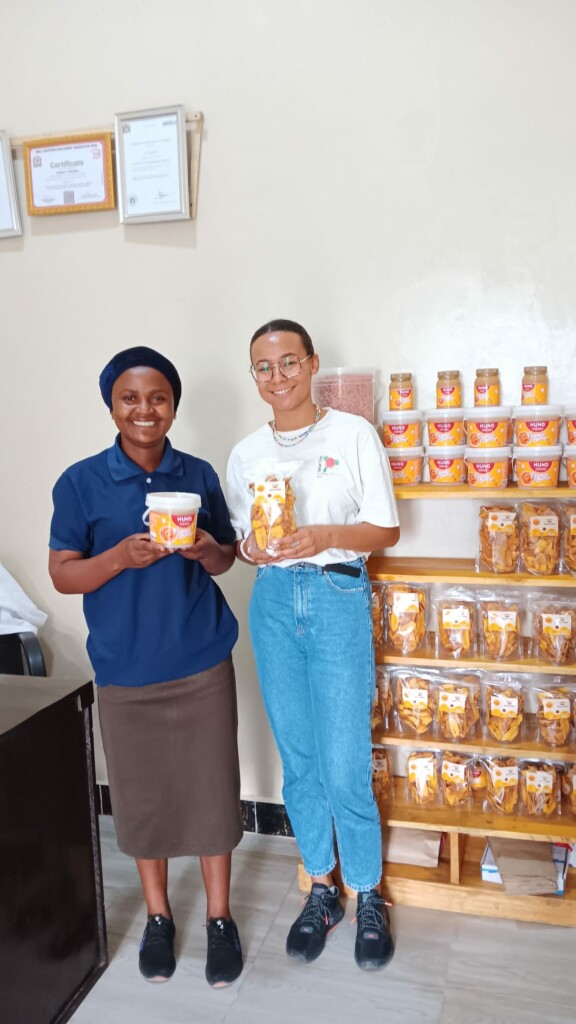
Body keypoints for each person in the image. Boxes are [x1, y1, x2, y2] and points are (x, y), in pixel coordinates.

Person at [48, 346, 243, 989]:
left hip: (200, 657)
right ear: (111, 405)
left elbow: (224, 562)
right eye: (130, 397)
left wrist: (208, 547)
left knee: (212, 792)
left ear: (173, 405)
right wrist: (118, 559)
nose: (144, 409)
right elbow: (64, 572)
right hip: (126, 667)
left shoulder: (198, 472)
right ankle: (159, 916)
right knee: (143, 799)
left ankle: (219, 918)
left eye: (157, 397)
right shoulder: (80, 482)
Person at [226, 319, 400, 971]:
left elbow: (385, 531)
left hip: (335, 595)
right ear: (256, 376)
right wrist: (253, 547)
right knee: (299, 755)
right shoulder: (246, 454)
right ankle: (321, 887)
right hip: (273, 601)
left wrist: (322, 532)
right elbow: (245, 541)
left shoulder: (352, 435)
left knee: (345, 757)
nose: (278, 377)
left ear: (312, 363)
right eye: (264, 368)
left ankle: (368, 892)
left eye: (288, 362)